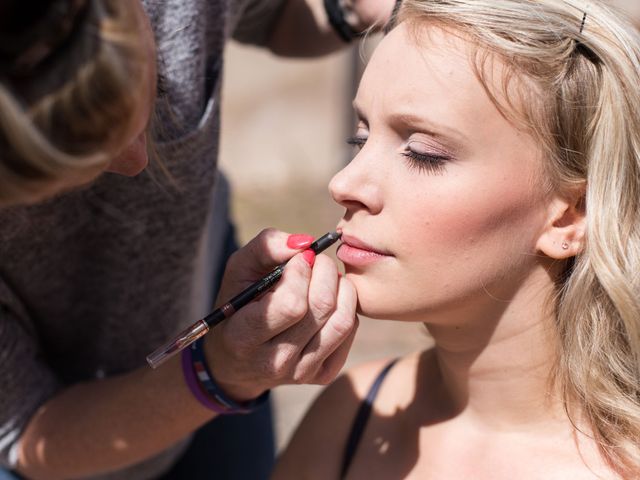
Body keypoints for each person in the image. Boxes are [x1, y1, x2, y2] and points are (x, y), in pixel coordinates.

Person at [0, 0, 399, 479]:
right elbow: (32, 437)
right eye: (72, 162)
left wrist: (361, 8)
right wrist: (220, 373)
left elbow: (279, 13)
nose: (136, 162)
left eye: (150, 92)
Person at [272, 0, 640, 478]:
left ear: (572, 216)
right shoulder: (352, 414)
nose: (344, 184)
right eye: (360, 140)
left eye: (423, 154)